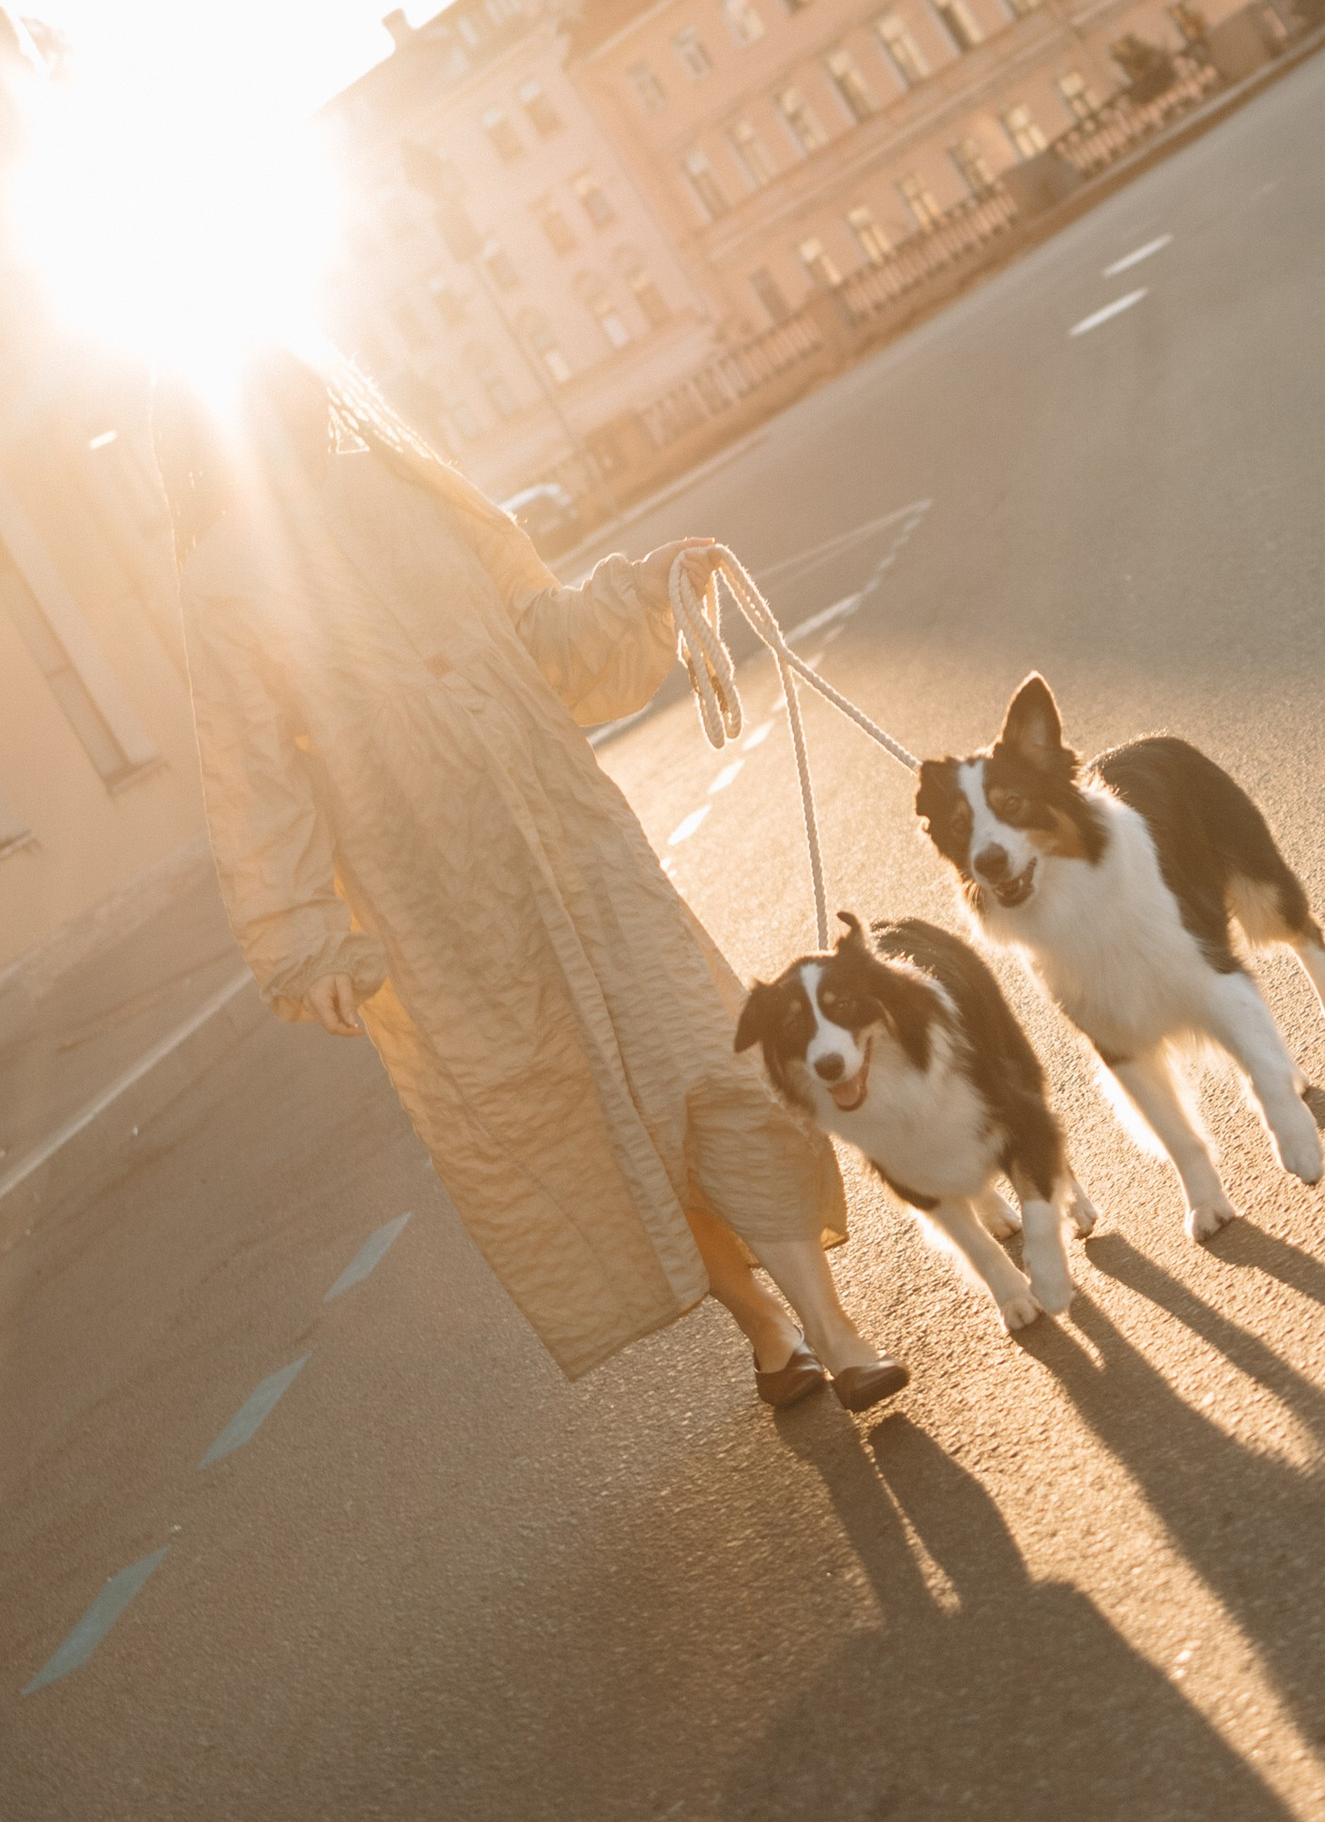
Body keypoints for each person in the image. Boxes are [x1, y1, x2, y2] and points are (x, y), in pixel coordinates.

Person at [160, 348, 902, 1412]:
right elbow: (250, 770)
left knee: (711, 1064)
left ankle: (836, 1331)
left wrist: (640, 589)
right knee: (605, 1134)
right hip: (437, 902)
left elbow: (542, 634)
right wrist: (300, 937)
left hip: (578, 840)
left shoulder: (409, 490)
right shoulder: (221, 579)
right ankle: (765, 1324)